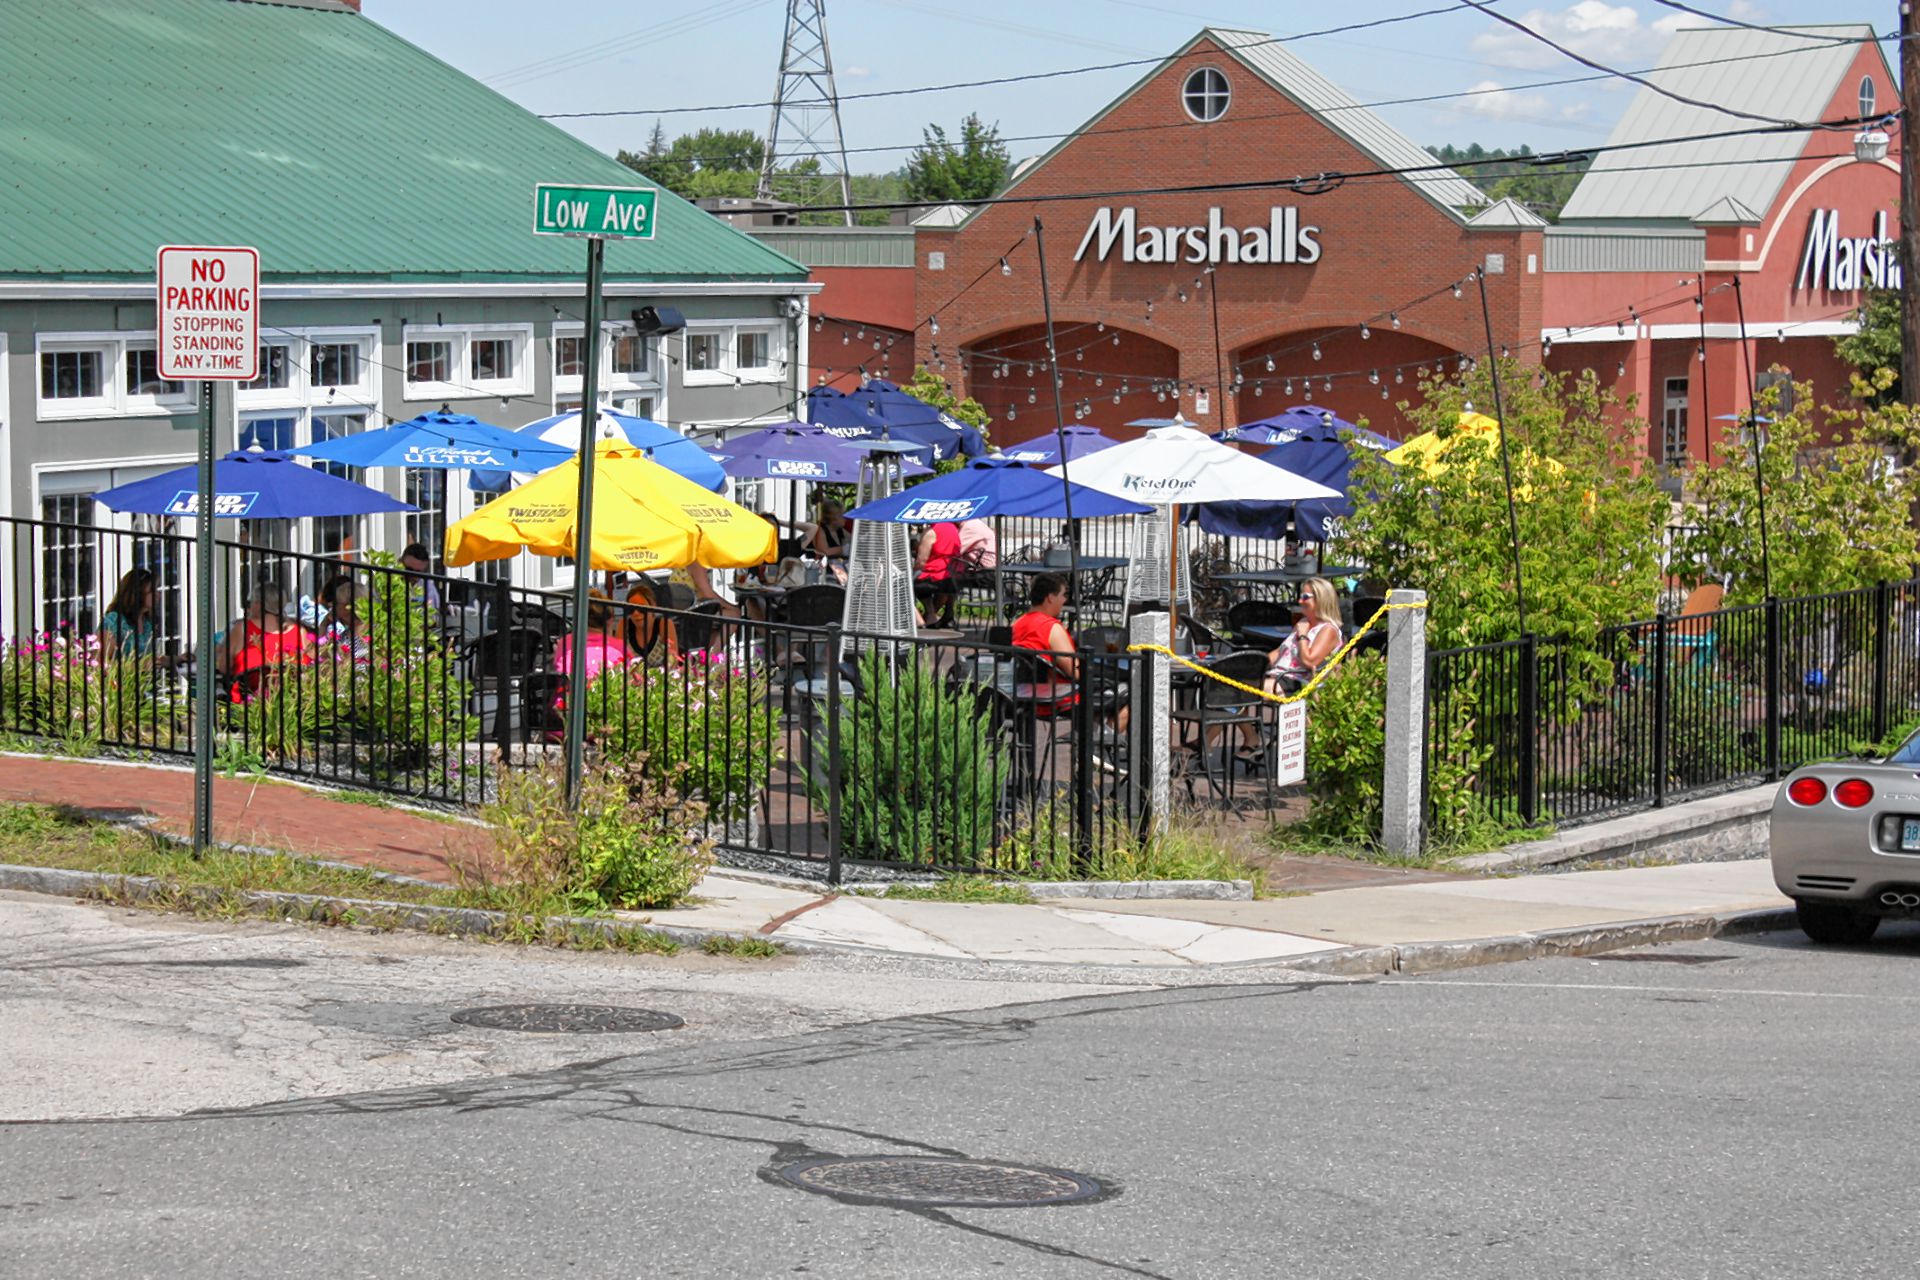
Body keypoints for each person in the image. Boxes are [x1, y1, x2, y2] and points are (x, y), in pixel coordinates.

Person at [218, 583, 315, 701]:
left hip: (247, 706)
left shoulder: (242, 629)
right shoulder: (299, 631)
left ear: (259, 604)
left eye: (251, 602)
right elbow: (312, 666)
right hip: (293, 703)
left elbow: (224, 668)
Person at [1265, 576, 1343, 695]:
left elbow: (1310, 662)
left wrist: (1302, 635)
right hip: (1278, 676)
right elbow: (1279, 652)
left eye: (1305, 597)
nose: (1300, 601)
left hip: (1298, 683)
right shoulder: (1303, 623)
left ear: (1320, 600)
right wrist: (1255, 664)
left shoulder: (1328, 630)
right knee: (1240, 682)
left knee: (1253, 689)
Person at [552, 589, 630, 688]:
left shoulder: (565, 642)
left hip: (567, 700)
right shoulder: (619, 647)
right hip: (607, 700)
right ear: (609, 620)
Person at [98, 568, 159, 659]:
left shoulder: (147, 622)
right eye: (152, 591)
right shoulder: (114, 621)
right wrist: (139, 666)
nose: (158, 594)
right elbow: (101, 661)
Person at [914, 520, 961, 628]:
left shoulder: (930, 532)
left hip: (934, 575)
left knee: (901, 585)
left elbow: (921, 561)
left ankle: (919, 621)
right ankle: (930, 616)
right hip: (950, 575)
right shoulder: (952, 527)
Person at [316, 574, 370, 660]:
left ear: (348, 607)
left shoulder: (373, 635)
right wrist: (323, 626)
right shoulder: (344, 637)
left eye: (336, 602)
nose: (331, 604)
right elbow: (324, 661)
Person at [399, 543, 441, 614]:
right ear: (399, 562)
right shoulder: (387, 582)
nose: (412, 575)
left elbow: (431, 618)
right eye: (409, 569)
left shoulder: (428, 589)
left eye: (418, 573)